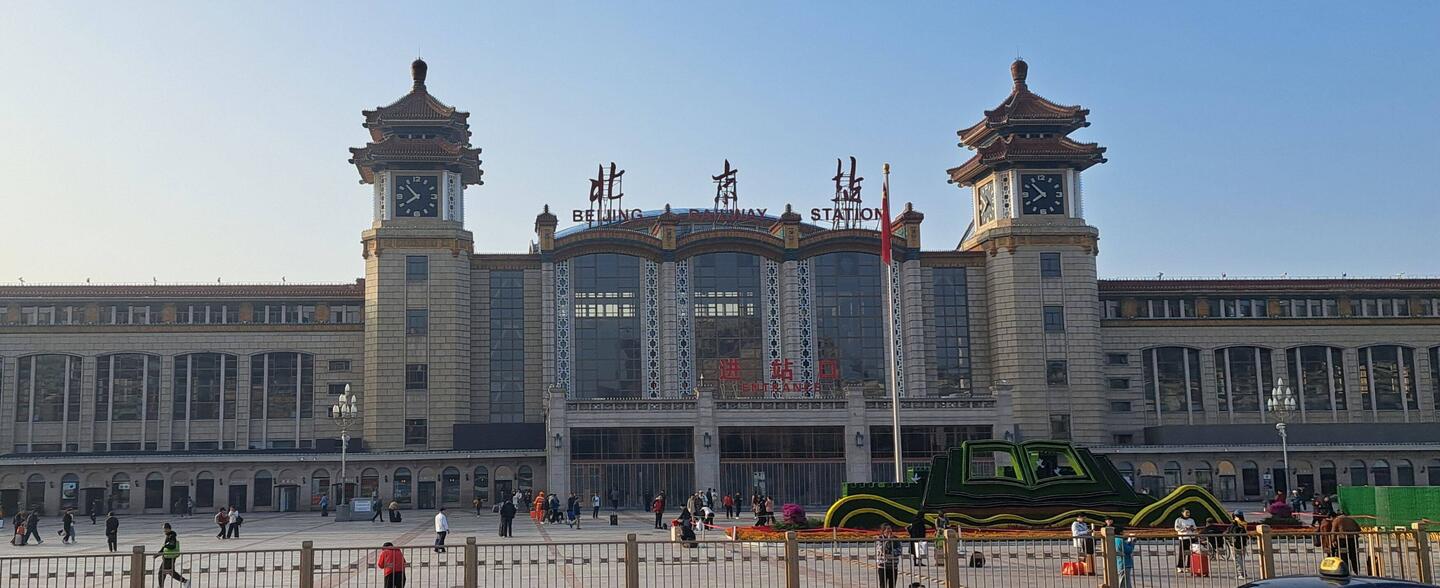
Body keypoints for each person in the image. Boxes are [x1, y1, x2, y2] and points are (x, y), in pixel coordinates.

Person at [875, 524, 903, 588]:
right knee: (883, 585)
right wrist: (888, 541)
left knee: (892, 585)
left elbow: (899, 551)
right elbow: (883, 550)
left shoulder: (896, 539)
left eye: (890, 529)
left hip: (893, 566)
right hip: (883, 566)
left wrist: (890, 551)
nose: (889, 531)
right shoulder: (880, 539)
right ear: (883, 531)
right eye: (887, 529)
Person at [1226, 511, 1249, 580]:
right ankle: (1244, 573)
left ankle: (1241, 574)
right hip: (1243, 544)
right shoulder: (1244, 523)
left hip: (1235, 544)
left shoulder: (1234, 523)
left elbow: (1229, 532)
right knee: (1241, 559)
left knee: (1237, 559)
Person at [1173, 508, 1198, 574]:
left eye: (1188, 512)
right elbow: (1176, 528)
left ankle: (1189, 567)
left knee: (1190, 553)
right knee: (1182, 553)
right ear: (1182, 513)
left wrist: (1191, 528)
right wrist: (1184, 528)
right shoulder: (1178, 520)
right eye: (1186, 512)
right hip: (1183, 538)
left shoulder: (1191, 520)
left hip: (1191, 537)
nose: (1187, 514)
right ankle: (1180, 567)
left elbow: (1195, 528)